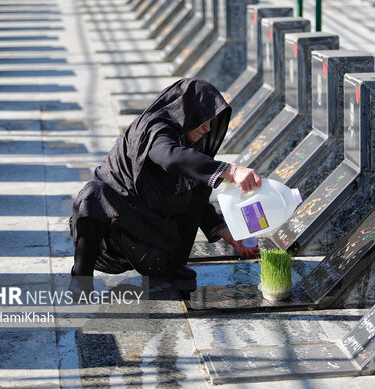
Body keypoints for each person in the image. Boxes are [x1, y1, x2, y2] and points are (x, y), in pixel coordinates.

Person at [70, 79, 262, 282]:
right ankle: (80, 281)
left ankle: (171, 265)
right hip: (116, 224)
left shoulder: (188, 142)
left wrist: (231, 237)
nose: (207, 128)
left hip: (153, 230)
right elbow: (170, 156)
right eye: (203, 120)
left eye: (211, 122)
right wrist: (232, 171)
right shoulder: (154, 129)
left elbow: (195, 201)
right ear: (186, 111)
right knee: (93, 194)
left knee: (201, 181)